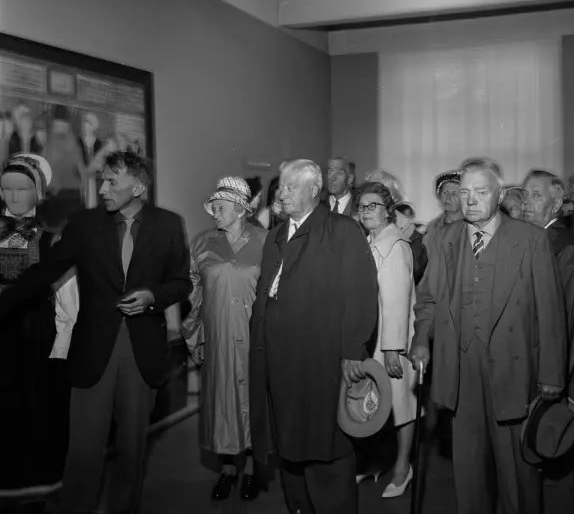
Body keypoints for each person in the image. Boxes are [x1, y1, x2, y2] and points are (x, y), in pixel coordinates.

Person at [0, 150, 191, 514]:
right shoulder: (84, 224)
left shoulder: (168, 224)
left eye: (111, 182)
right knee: (83, 452)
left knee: (132, 451)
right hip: (92, 352)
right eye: (102, 180)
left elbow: (181, 283)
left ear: (139, 187)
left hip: (141, 354)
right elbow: (44, 273)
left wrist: (153, 297)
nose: (102, 189)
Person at [409, 157, 566, 514]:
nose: (470, 200)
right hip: (461, 371)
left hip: (513, 371)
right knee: (468, 475)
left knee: (517, 479)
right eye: (465, 192)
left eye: (480, 192)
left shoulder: (531, 239)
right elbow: (429, 298)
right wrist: (421, 338)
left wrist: (552, 372)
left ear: (499, 194)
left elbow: (551, 311)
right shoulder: (445, 238)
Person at [249, 159, 378, 514]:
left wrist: (353, 349)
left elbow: (362, 292)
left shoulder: (341, 230)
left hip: (321, 361)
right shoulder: (276, 235)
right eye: (281, 186)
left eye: (291, 186)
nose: (282, 193)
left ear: (314, 191)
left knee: (326, 448)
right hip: (278, 361)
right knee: (290, 447)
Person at [183, 176, 266, 502]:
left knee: (254, 404)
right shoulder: (202, 243)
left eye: (220, 207)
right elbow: (193, 293)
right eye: (213, 208)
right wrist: (196, 337)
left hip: (255, 338)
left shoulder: (266, 241)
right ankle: (228, 470)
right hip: (217, 337)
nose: (214, 213)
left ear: (240, 209)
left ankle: (253, 470)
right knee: (222, 405)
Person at [523, 170, 574, 514]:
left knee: (560, 457)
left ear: (556, 204)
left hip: (558, 377)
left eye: (536, 196)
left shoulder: (564, 247)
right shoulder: (533, 241)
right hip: (536, 371)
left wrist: (555, 376)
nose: (527, 203)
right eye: (525, 195)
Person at [0, 154, 70, 490]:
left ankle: (38, 479)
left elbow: (67, 300)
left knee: (36, 404)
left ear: (38, 193)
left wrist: (62, 345)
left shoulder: (51, 241)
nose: (14, 197)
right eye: (7, 189)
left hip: (37, 333)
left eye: (23, 188)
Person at [355, 182, 419, 498]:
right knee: (376, 405)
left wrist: (393, 348)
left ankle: (403, 468)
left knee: (401, 407)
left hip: (392, 341)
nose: (366, 211)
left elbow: (397, 301)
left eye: (373, 206)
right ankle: (376, 462)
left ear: (388, 210)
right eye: (362, 206)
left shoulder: (394, 245)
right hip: (372, 338)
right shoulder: (370, 242)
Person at [422, 169, 463, 257]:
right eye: (445, 192)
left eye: (454, 194)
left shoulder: (471, 229)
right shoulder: (432, 227)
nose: (448, 197)